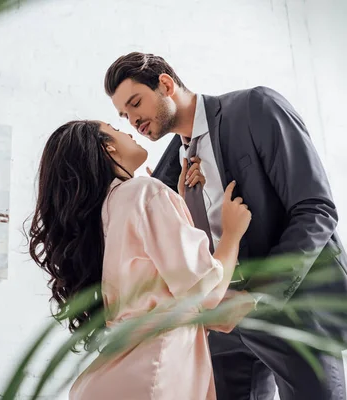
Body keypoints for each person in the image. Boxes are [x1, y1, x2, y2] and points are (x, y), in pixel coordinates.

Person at [103, 52, 347, 400]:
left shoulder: (254, 109)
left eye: (136, 103)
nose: (133, 120)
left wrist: (257, 297)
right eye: (124, 115)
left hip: (291, 308)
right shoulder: (167, 168)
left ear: (166, 84)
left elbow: (315, 209)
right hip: (222, 325)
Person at [27, 120, 252, 399]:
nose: (129, 130)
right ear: (107, 147)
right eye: (115, 128)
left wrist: (180, 205)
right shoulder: (145, 191)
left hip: (115, 374)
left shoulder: (103, 214)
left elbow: (159, 280)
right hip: (157, 369)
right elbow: (205, 294)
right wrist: (232, 233)